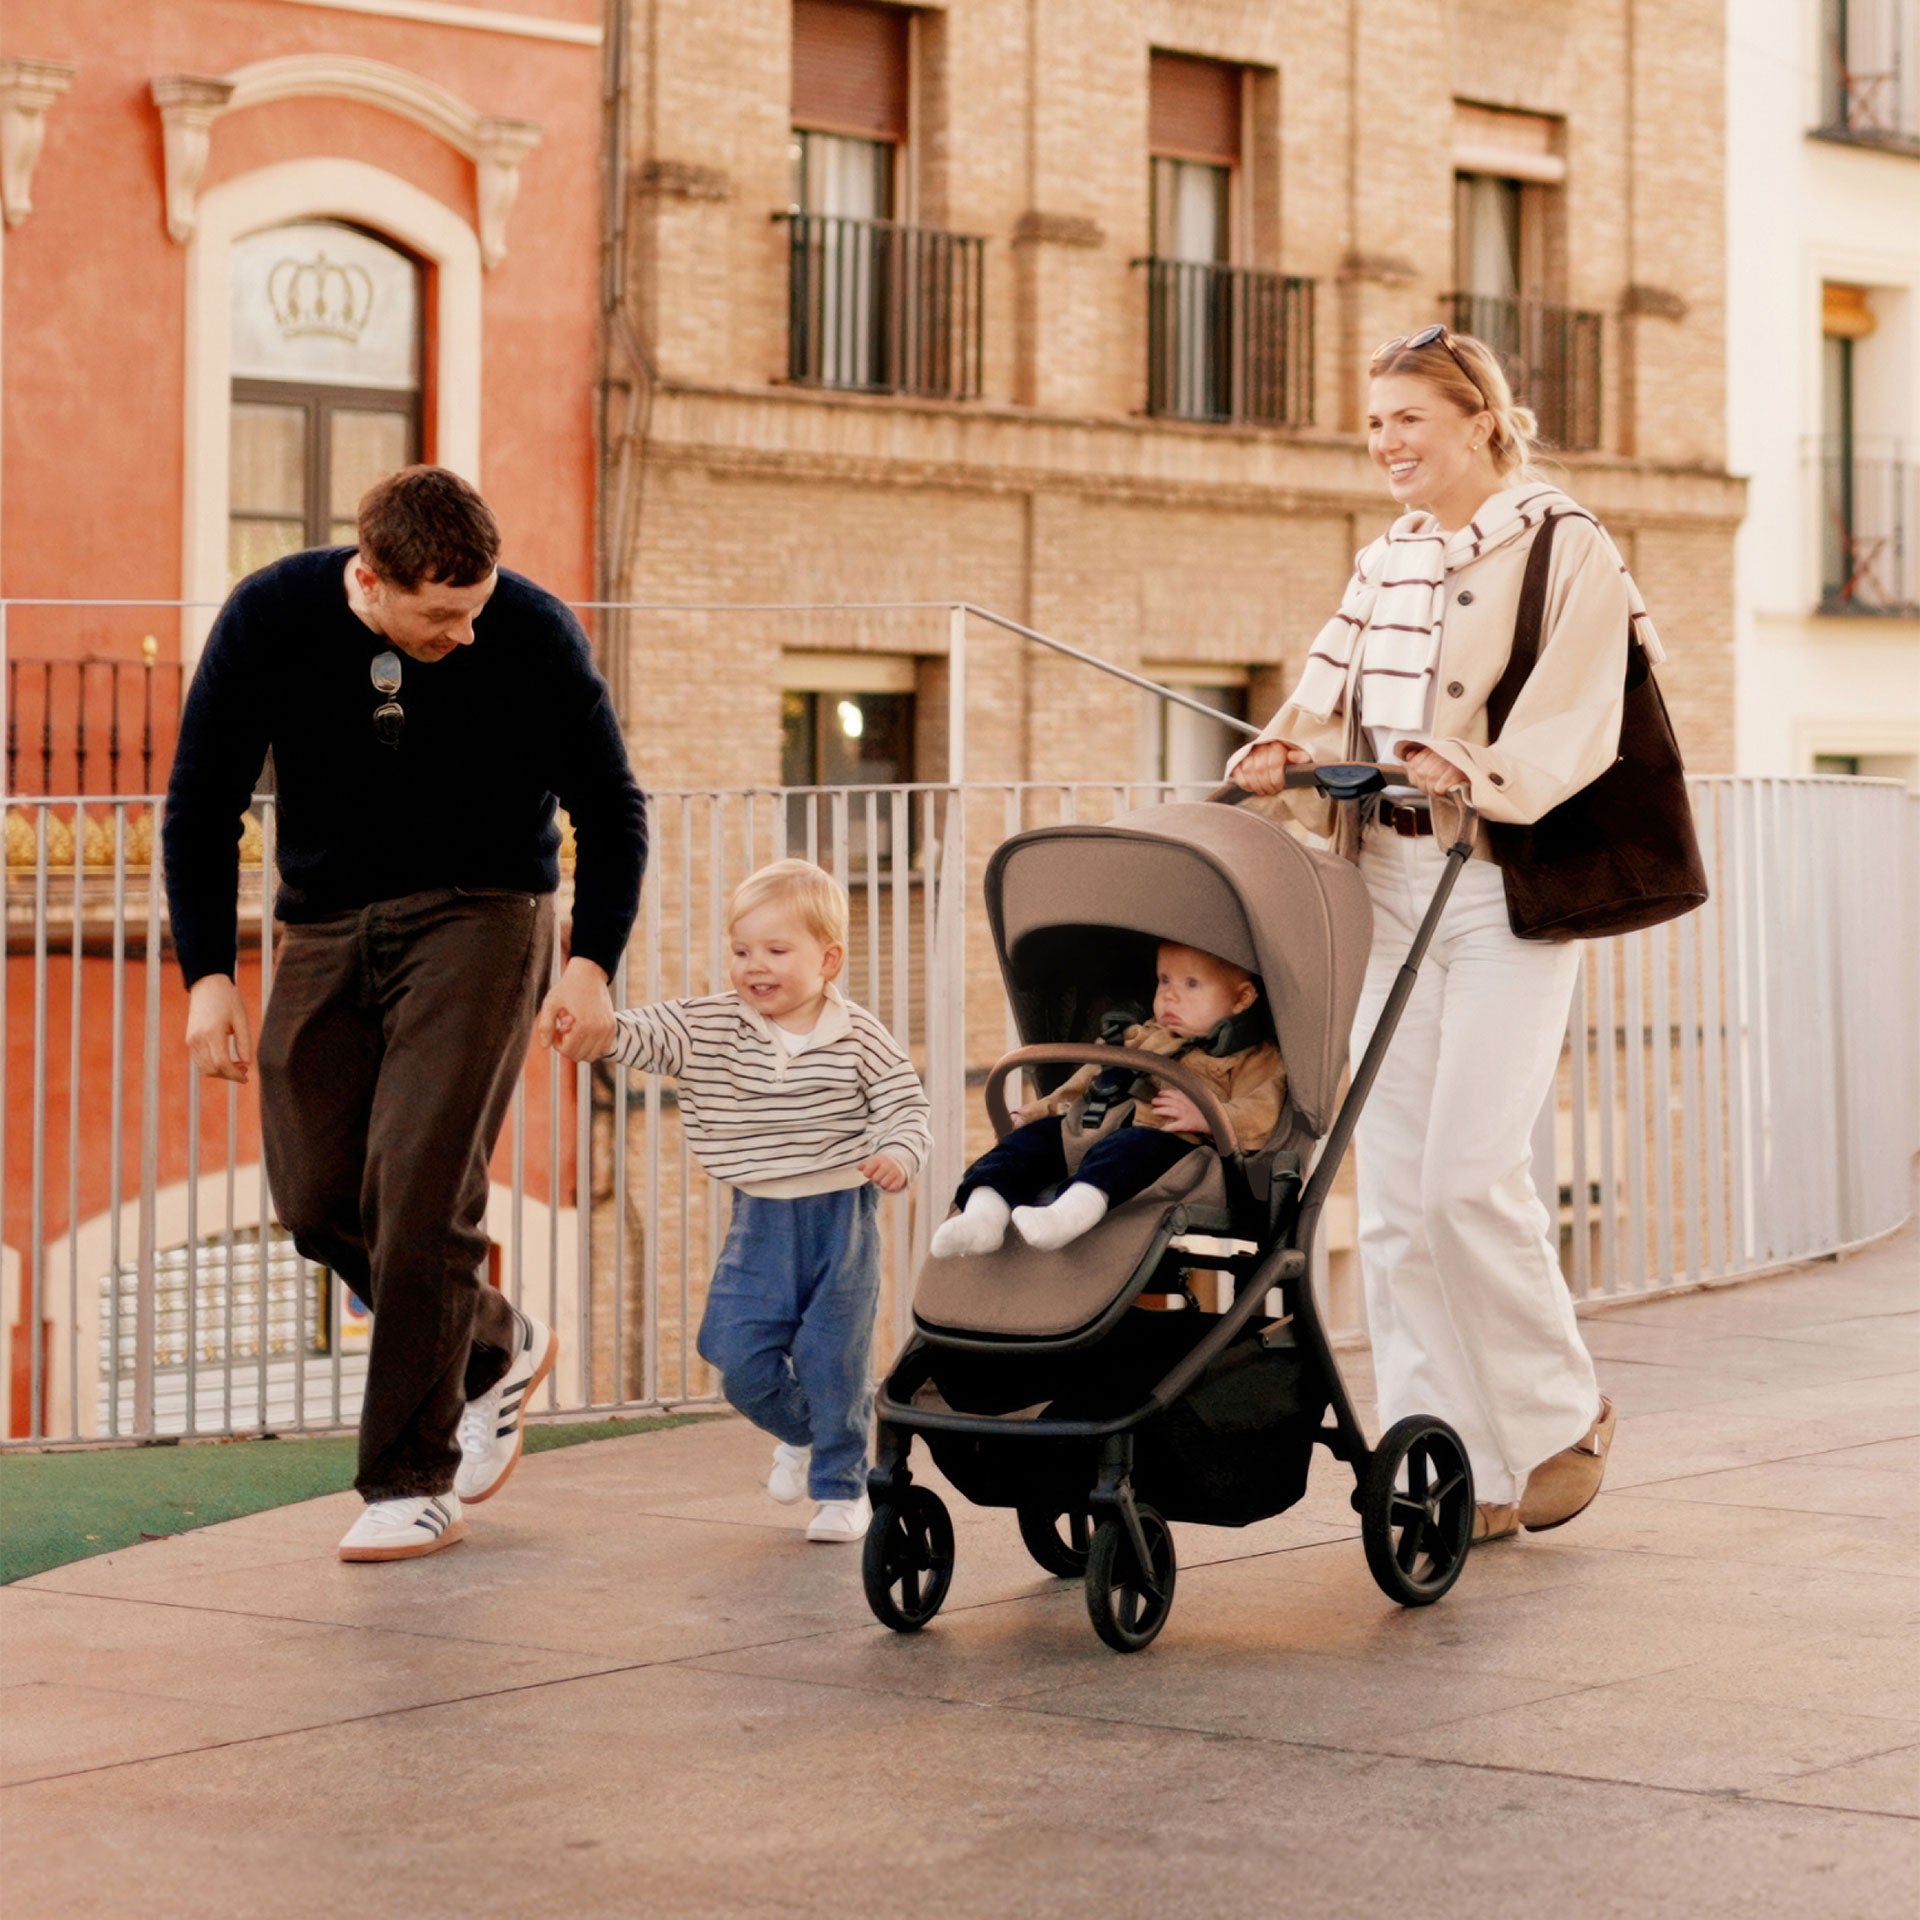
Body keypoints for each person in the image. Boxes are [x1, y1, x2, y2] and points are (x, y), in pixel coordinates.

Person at [165, 466, 647, 1563]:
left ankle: (409, 1479)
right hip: (324, 924)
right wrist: (208, 974)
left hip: (484, 915)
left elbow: (611, 808)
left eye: (475, 609)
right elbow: (202, 804)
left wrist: (590, 964)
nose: (465, 637)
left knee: (421, 1184)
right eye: (440, 616)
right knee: (318, 1196)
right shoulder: (271, 617)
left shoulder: (530, 632)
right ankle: (492, 1345)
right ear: (370, 580)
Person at [1231, 325, 1644, 1543]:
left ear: (1478, 420)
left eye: (1409, 418)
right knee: (1401, 1195)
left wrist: (1477, 764)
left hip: (1498, 884)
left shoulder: (1565, 545)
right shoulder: (1385, 560)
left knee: (1469, 1175)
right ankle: (1445, 1454)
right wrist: (1284, 751)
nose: (1387, 443)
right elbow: (1327, 695)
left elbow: (1582, 716)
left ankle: (1561, 1417)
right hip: (1386, 882)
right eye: (1376, 422)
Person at [596, 859, 931, 1542]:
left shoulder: (859, 1034)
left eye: (777, 951)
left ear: (828, 958)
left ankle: (841, 1489)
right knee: (733, 1350)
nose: (756, 966)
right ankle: (808, 1432)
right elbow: (642, 1034)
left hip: (843, 1217)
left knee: (834, 1357)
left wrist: (898, 1154)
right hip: (760, 1219)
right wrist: (595, 1029)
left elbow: (904, 1104)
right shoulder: (713, 1024)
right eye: (742, 949)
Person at [932, 941, 1284, 1256]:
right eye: (1164, 980)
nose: (1170, 996)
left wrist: (1211, 1117)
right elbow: (1082, 1084)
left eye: (1191, 984)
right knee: (1025, 1144)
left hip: (1171, 1148)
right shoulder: (1135, 1037)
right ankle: (983, 1216)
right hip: (1090, 1129)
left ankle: (1068, 1214)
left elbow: (1263, 1110)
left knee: (1131, 1149)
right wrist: (1035, 1113)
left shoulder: (1253, 1056)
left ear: (1243, 998)